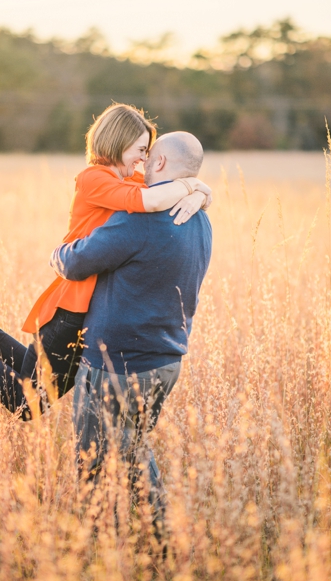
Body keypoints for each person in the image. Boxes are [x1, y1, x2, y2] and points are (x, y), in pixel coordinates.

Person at [0, 104, 212, 420]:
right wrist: (191, 187)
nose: (143, 158)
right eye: (140, 149)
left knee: (29, 371)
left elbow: (164, 185)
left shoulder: (129, 177)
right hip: (73, 304)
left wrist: (200, 192)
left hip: (83, 305)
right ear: (117, 142)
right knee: (27, 404)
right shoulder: (94, 178)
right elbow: (154, 198)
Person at [51, 131, 212, 530]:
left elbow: (75, 263)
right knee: (132, 452)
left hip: (116, 363)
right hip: (165, 361)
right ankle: (157, 544)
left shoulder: (139, 220)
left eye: (146, 157)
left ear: (159, 164)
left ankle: (102, 547)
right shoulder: (201, 220)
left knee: (92, 463)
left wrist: (57, 254)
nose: (139, 164)